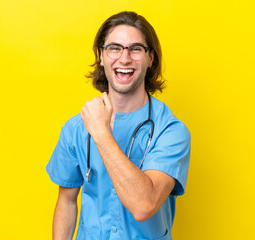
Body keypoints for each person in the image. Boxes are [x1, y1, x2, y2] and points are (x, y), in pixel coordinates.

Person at [46, 11, 191, 240]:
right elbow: (66, 200)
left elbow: (144, 205)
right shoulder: (76, 127)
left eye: (135, 49)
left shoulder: (171, 131)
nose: (124, 59)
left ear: (150, 58)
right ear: (101, 56)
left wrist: (101, 133)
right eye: (114, 48)